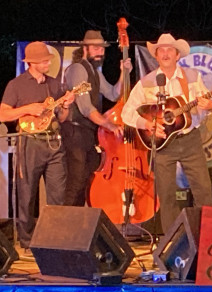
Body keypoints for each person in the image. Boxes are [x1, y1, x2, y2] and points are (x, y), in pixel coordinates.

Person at [121, 33, 212, 233]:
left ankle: (205, 236)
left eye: (169, 50)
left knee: (203, 191)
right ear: (155, 55)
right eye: (160, 50)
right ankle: (172, 242)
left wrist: (210, 105)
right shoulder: (146, 82)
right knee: (166, 194)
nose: (165, 54)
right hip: (162, 143)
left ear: (177, 54)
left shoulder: (192, 77)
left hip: (190, 140)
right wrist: (146, 124)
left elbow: (207, 105)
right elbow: (126, 113)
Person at [0, 41, 74, 256]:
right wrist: (27, 109)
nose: (47, 64)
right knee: (27, 192)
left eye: (48, 60)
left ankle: (56, 240)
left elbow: (62, 118)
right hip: (30, 143)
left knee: (58, 195)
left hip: (54, 141)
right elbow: (3, 114)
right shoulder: (16, 85)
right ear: (31, 63)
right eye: (43, 61)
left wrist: (66, 106)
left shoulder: (55, 84)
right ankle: (27, 241)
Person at [61, 30, 132, 207]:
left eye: (102, 48)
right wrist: (109, 125)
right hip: (75, 130)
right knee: (76, 183)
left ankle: (81, 226)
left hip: (88, 132)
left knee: (87, 181)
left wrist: (123, 72)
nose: (100, 52)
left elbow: (114, 94)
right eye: (95, 48)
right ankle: (67, 227)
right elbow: (85, 107)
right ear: (85, 48)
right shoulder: (78, 69)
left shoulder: (95, 71)